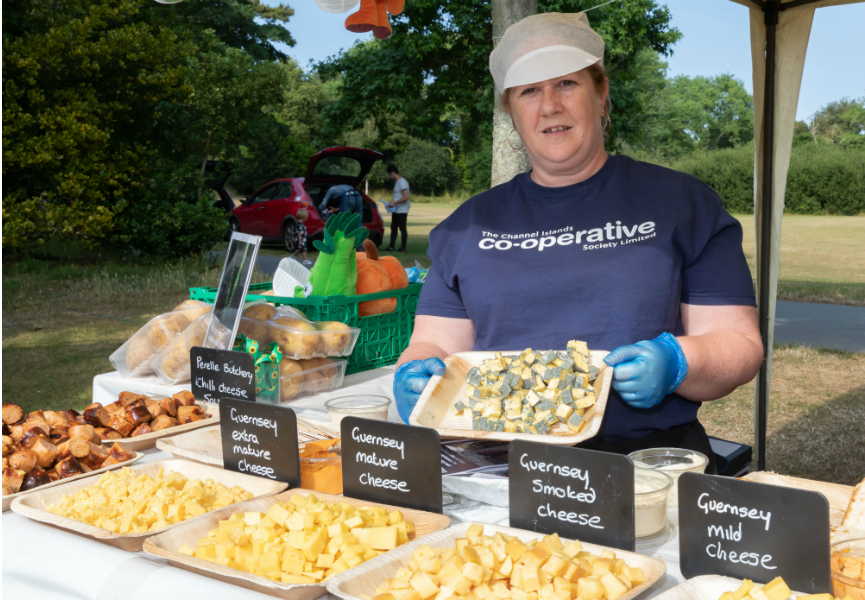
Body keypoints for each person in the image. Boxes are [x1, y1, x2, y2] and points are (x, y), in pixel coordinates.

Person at [392, 12, 763, 474]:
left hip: (646, 466)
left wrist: (679, 360)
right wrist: (418, 373)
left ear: (601, 93)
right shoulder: (465, 227)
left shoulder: (683, 204)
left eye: (566, 83)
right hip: (494, 469)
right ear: (510, 108)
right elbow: (433, 343)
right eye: (529, 89)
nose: (549, 105)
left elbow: (740, 344)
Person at [385, 165, 410, 252]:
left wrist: (394, 203)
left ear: (392, 173)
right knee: (393, 228)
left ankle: (403, 248)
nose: (389, 177)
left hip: (402, 210)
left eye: (389, 175)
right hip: (396, 210)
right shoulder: (397, 182)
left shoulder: (402, 182)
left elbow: (406, 196)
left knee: (402, 229)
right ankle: (391, 246)